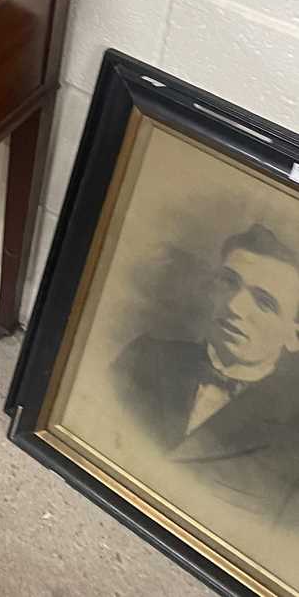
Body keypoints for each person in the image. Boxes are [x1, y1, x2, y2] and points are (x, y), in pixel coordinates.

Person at [112, 223, 299, 524]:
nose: (235, 306)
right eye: (228, 282)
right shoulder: (144, 356)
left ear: (294, 337)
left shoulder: (294, 438)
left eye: (264, 302)